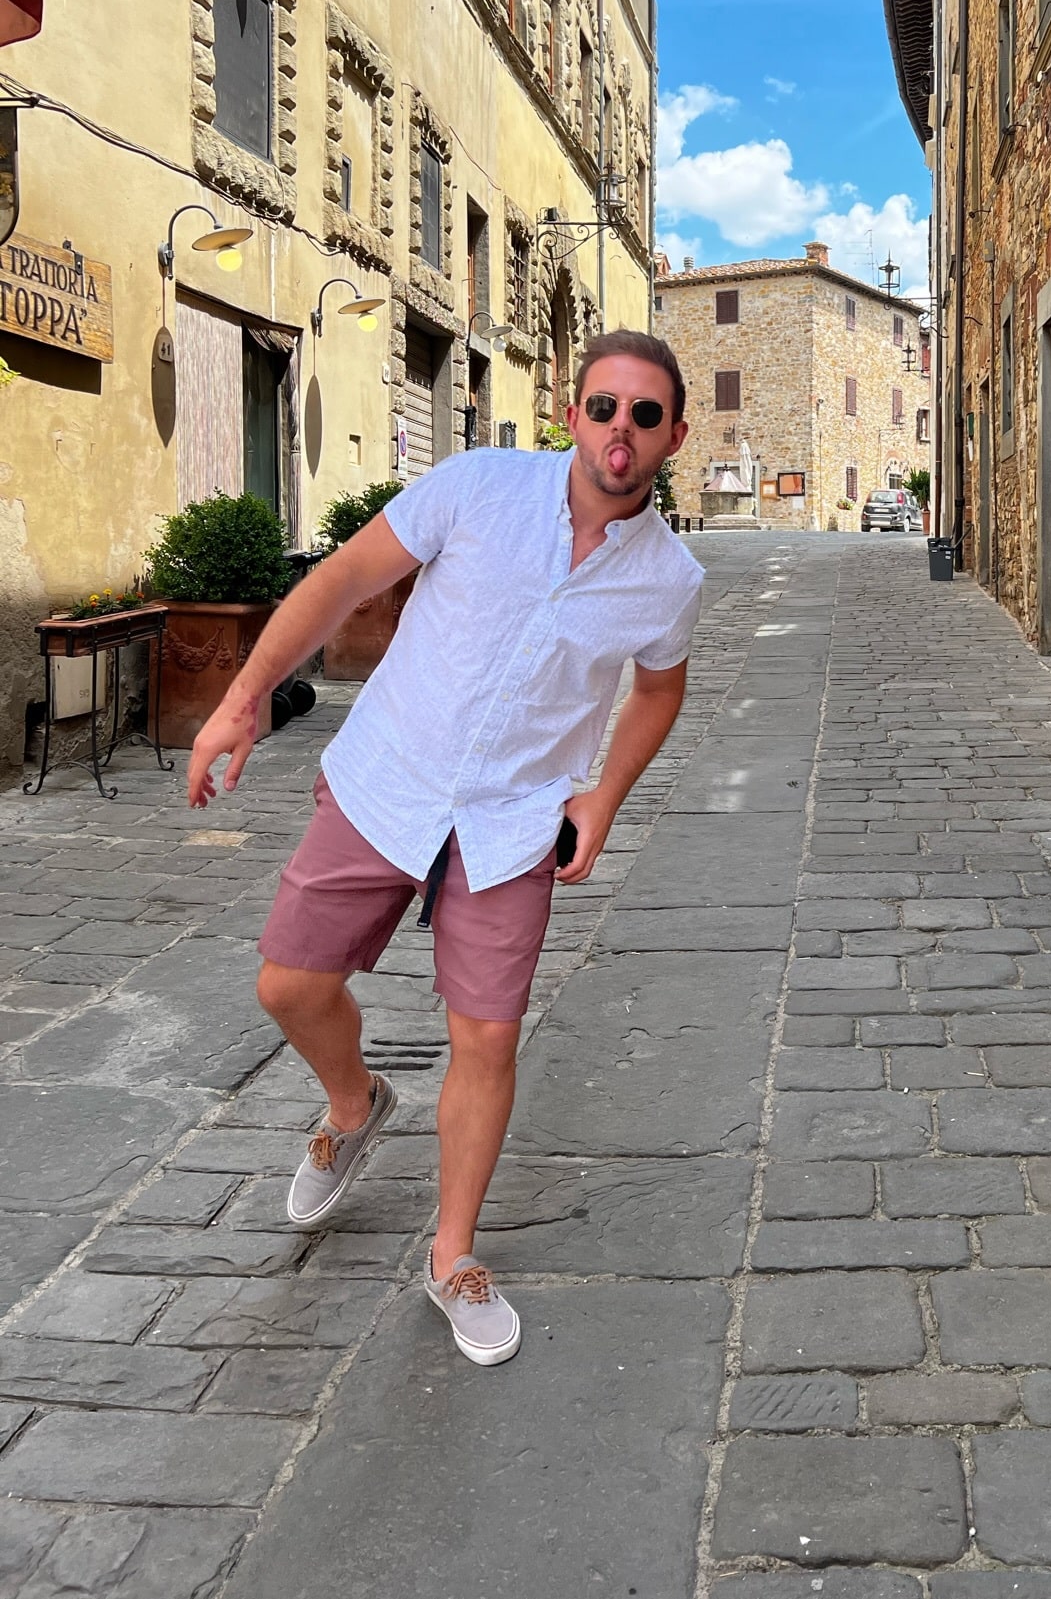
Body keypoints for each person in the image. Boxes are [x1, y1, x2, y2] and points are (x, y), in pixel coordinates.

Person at [184, 331, 701, 1366]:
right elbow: (341, 580)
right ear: (573, 410)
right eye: (605, 407)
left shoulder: (669, 580)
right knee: (287, 987)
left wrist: (603, 796)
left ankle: (452, 1254)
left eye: (646, 416)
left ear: (674, 436)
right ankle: (354, 1102)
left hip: (513, 822)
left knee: (489, 1042)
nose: (621, 432)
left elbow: (659, 687)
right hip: (391, 775)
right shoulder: (476, 485)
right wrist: (244, 697)